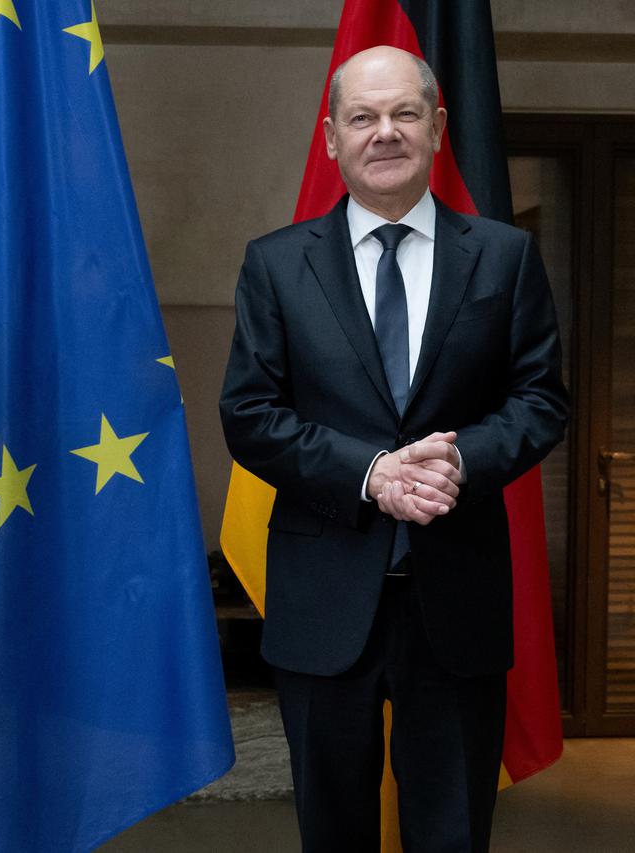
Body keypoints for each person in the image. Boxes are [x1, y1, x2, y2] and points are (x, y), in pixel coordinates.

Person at [219, 46, 567, 852]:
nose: (386, 132)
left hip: (458, 599)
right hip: (322, 603)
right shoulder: (276, 263)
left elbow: (541, 399)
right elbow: (249, 413)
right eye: (363, 117)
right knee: (332, 833)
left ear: (438, 127)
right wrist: (370, 474)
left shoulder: (505, 256)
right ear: (332, 138)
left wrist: (460, 460)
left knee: (452, 832)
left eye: (405, 113)